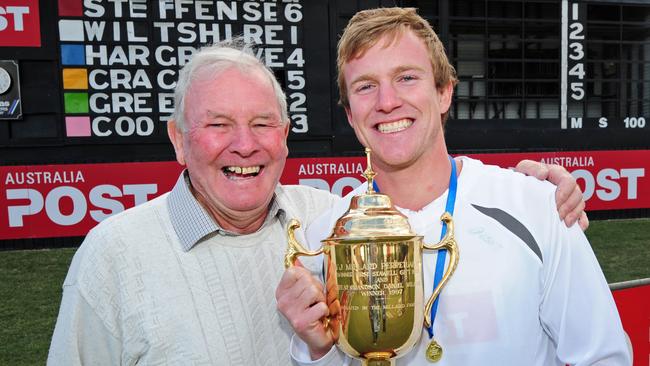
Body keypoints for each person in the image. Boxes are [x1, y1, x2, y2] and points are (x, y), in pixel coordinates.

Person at [47, 40, 585, 364]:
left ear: (283, 135)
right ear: (179, 139)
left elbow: (424, 182)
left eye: (262, 124)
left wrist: (531, 188)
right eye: (217, 125)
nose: (245, 144)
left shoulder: (326, 216)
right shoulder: (113, 255)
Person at [275, 7, 630, 366]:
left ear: (444, 92)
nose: (387, 102)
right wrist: (317, 350)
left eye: (406, 78)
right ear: (351, 115)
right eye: (366, 86)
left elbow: (604, 356)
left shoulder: (536, 206)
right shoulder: (325, 238)